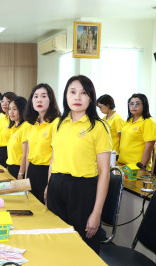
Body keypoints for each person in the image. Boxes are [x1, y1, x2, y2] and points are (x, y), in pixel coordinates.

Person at [45, 75, 111, 254]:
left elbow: (105, 172)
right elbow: (54, 158)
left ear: (91, 98)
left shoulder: (99, 127)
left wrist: (96, 213)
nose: (77, 97)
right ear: (65, 96)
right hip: (56, 186)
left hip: (83, 191)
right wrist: (48, 185)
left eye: (83, 93)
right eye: (72, 92)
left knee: (83, 248)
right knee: (57, 243)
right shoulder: (58, 123)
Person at [23, 84, 60, 204]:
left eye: (43, 96)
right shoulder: (32, 124)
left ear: (51, 100)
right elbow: (29, 153)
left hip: (47, 173)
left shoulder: (56, 123)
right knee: (32, 208)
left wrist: (49, 184)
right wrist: (26, 178)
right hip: (33, 171)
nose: (39, 99)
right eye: (35, 96)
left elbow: (55, 157)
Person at [118, 93, 156, 176]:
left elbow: (149, 147)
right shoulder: (128, 120)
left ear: (144, 105)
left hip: (136, 167)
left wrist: (142, 167)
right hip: (123, 164)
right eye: (131, 104)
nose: (133, 106)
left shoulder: (148, 122)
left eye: (137, 104)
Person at [6, 97, 28, 179]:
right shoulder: (14, 127)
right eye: (9, 109)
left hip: (19, 168)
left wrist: (21, 173)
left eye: (14, 109)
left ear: (22, 110)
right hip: (11, 166)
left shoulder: (25, 127)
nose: (11, 112)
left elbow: (25, 154)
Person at [0, 92, 17, 168]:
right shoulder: (2, 118)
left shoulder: (14, 120)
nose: (4, 104)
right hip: (0, 150)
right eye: (2, 101)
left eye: (8, 101)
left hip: (9, 152)